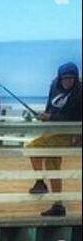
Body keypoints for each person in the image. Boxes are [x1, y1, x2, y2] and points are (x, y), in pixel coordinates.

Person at [28, 61, 81, 217]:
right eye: (65, 77)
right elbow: (49, 107)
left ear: (76, 78)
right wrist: (44, 117)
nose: (68, 81)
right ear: (59, 78)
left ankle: (40, 182)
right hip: (53, 132)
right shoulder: (54, 86)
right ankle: (58, 205)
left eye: (71, 78)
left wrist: (51, 117)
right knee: (53, 164)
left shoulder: (79, 91)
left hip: (69, 134)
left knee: (32, 148)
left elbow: (74, 116)